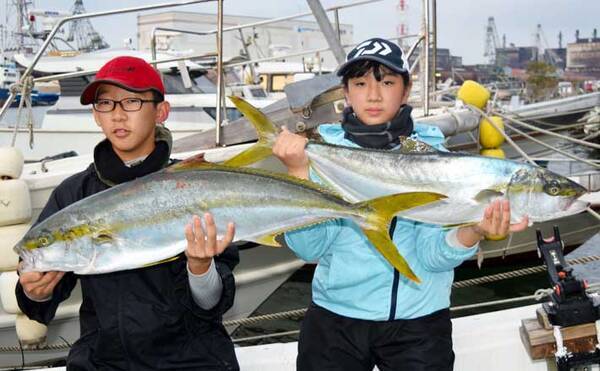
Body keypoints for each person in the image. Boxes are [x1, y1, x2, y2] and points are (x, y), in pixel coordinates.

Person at [273, 38, 529, 371]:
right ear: (346, 94)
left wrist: (474, 230)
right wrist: (299, 173)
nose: (374, 95)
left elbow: (431, 256)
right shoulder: (323, 160)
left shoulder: (440, 163)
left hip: (419, 323)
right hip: (335, 320)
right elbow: (311, 249)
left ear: (406, 91)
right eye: (360, 84)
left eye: (388, 82)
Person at [15, 56, 240, 370]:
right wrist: (34, 292)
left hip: (191, 360)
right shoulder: (73, 194)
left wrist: (201, 268)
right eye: (105, 103)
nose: (117, 115)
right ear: (96, 115)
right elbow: (39, 303)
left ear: (161, 111)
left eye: (131, 101)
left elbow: (213, 305)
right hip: (103, 362)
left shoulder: (194, 185)